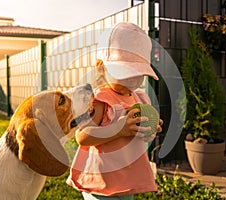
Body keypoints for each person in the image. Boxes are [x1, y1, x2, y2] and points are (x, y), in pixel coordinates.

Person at [66, 22, 163, 200]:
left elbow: (136, 136)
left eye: (138, 74)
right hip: (101, 179)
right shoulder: (100, 100)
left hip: (127, 178)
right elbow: (83, 137)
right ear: (101, 67)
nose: (132, 80)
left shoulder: (139, 99)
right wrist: (119, 129)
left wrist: (146, 130)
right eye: (125, 72)